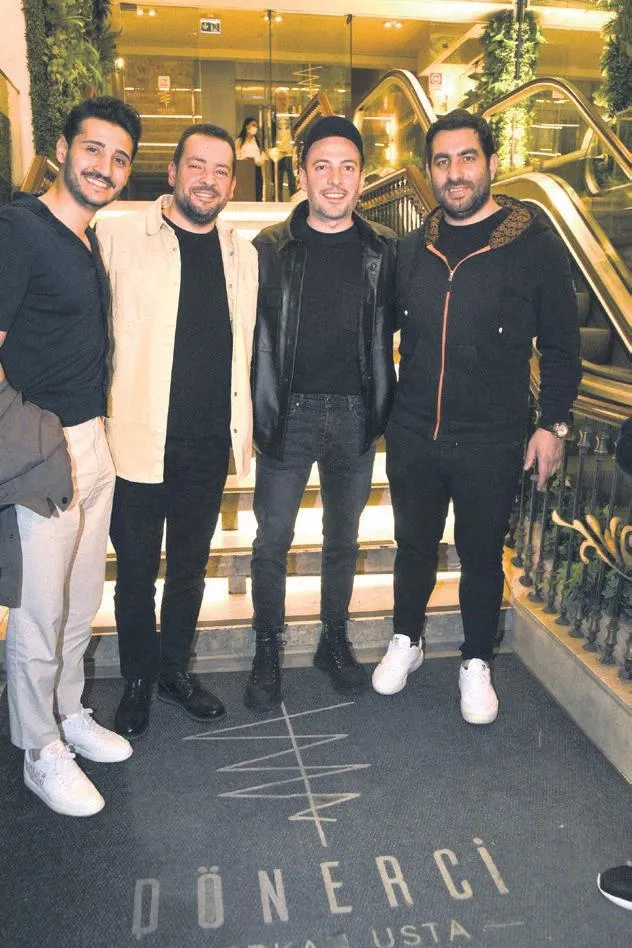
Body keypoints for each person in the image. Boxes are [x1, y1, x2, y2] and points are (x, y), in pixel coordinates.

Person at [372, 109, 582, 723]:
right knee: (413, 545)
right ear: (430, 170)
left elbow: (562, 345)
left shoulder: (533, 245)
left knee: (482, 554)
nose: (455, 172)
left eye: (467, 158)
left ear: (491, 163)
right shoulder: (413, 248)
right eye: (442, 161)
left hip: (491, 438)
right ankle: (406, 638)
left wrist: (554, 423)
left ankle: (475, 660)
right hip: (415, 431)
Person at [0, 96, 141, 816]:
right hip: (42, 448)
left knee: (81, 602)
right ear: (61, 149)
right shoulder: (19, 230)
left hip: (92, 442)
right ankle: (38, 749)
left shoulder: (86, 239)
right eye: (94, 149)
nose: (105, 167)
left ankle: (68, 711)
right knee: (38, 612)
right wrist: (27, 436)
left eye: (120, 158)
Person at [96, 124, 258, 739]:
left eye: (220, 170)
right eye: (196, 165)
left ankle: (174, 673)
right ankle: (137, 678)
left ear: (232, 185)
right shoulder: (117, 237)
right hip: (138, 439)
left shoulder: (243, 255)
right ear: (172, 172)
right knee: (137, 571)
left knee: (190, 568)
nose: (207, 180)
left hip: (208, 443)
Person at [245, 115, 397, 711]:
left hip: (356, 416)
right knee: (271, 541)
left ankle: (333, 640)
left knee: (343, 539)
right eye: (322, 166)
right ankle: (266, 647)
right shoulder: (268, 249)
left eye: (347, 167)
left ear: (362, 176)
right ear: (303, 175)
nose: (335, 180)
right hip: (289, 414)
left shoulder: (384, 249)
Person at [236, 117, 266, 201]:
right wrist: (244, 159)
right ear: (247, 126)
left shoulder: (257, 142)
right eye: (253, 125)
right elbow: (236, 155)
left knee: (257, 191)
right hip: (244, 169)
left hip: (256, 168)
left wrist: (257, 160)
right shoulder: (239, 141)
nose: (255, 128)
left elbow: (262, 156)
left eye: (256, 126)